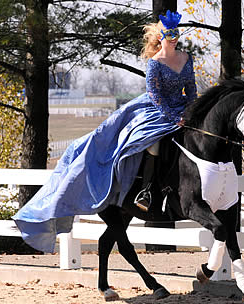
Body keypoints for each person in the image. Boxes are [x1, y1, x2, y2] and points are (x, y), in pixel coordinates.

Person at [12, 10, 197, 253]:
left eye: (176, 33)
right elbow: (155, 96)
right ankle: (146, 193)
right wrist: (173, 117)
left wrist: (193, 110)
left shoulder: (186, 57)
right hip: (158, 111)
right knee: (151, 144)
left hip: (184, 110)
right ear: (160, 37)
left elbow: (191, 89)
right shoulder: (155, 63)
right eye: (169, 34)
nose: (173, 37)